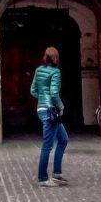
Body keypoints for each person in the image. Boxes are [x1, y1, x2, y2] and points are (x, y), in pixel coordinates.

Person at [29, 46, 68, 187]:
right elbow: (53, 93)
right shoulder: (56, 72)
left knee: (63, 139)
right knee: (47, 145)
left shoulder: (38, 70)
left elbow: (33, 90)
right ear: (56, 58)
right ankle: (42, 178)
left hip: (42, 109)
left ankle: (57, 174)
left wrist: (42, 99)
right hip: (51, 111)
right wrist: (61, 106)